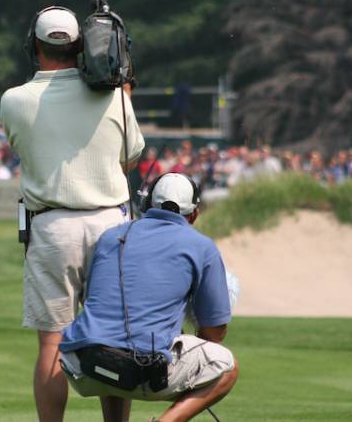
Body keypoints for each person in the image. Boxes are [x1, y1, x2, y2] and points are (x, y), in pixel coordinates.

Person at [0, 6, 145, 422]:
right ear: (81, 45)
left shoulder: (14, 100)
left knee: (52, 343)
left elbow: (22, 146)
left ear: (34, 46)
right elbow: (130, 158)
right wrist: (123, 96)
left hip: (52, 226)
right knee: (114, 341)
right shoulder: (114, 96)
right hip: (111, 225)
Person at [59, 173, 239, 422]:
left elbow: (98, 305)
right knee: (227, 366)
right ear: (194, 214)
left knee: (113, 344)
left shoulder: (111, 236)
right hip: (140, 371)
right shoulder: (202, 246)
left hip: (79, 364)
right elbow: (214, 334)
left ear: (146, 205)